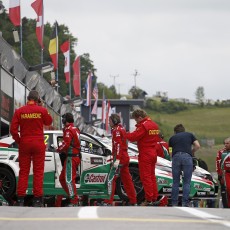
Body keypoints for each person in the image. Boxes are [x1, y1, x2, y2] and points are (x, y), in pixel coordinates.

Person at [10, 90, 53, 207]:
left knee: (23, 171)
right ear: (38, 99)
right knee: (38, 171)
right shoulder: (42, 110)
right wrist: (42, 107)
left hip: (24, 142)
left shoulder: (19, 111)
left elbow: (13, 130)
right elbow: (49, 121)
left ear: (28, 99)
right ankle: (38, 199)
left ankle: (20, 200)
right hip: (38, 143)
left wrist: (19, 140)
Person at [126, 109, 165, 206]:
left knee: (145, 177)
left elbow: (134, 137)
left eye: (136, 120)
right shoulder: (154, 125)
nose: (136, 122)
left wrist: (125, 134)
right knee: (152, 176)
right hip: (153, 152)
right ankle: (154, 197)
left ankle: (148, 199)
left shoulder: (144, 126)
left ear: (139, 117)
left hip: (145, 153)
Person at [103, 114, 137, 206]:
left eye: (109, 121)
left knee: (111, 179)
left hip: (120, 158)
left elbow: (118, 146)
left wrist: (117, 160)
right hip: (125, 157)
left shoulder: (116, 131)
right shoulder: (122, 129)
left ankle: (108, 201)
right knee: (127, 180)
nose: (108, 123)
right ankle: (133, 200)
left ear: (114, 121)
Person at [168, 124, 200, 207]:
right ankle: (185, 203)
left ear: (175, 132)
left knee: (175, 182)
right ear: (183, 130)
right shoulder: (190, 135)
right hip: (187, 157)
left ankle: (174, 203)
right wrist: (192, 152)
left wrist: (173, 157)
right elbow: (197, 145)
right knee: (186, 182)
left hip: (176, 157)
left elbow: (170, 151)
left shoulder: (172, 138)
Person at [56, 113, 81, 207]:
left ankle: (74, 200)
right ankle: (73, 196)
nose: (62, 121)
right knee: (62, 179)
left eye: (63, 119)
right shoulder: (75, 129)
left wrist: (57, 149)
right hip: (74, 156)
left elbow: (66, 144)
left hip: (71, 157)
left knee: (69, 180)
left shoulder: (68, 130)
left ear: (65, 120)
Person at [216, 137, 230, 208]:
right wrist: (219, 174)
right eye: (225, 143)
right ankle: (227, 205)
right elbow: (218, 164)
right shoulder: (221, 152)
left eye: (227, 143)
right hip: (226, 173)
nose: (225, 145)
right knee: (227, 188)